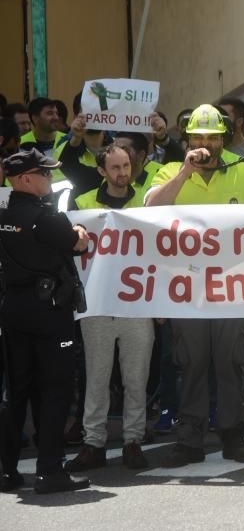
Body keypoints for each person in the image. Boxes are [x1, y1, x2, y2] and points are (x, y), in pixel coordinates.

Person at [145, 104, 244, 467]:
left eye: (213, 137)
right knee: (192, 362)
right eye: (199, 137)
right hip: (187, 289)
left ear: (224, 138)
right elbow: (149, 207)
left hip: (233, 288)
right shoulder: (168, 170)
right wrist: (184, 172)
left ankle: (232, 433)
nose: (206, 144)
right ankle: (190, 438)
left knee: (231, 361)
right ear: (188, 139)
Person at [0, 149, 91, 494]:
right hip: (49, 310)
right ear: (25, 178)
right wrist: (79, 230)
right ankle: (49, 471)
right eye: (46, 174)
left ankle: (7, 472)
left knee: (16, 391)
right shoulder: (46, 217)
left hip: (13, 309)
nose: (51, 180)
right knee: (55, 389)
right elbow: (79, 244)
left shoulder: (3, 213)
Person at [64, 146, 152, 473]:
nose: (122, 173)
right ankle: (93, 442)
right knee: (96, 376)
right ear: (102, 170)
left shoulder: (147, 201)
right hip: (98, 304)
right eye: (114, 167)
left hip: (138, 303)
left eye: (126, 165)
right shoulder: (83, 203)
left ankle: (133, 441)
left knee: (136, 377)